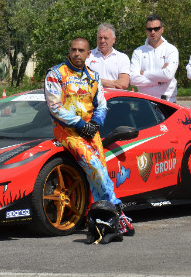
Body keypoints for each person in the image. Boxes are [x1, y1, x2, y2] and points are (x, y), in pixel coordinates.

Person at [44, 37, 134, 235]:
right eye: (74, 50)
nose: (77, 54)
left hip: (91, 131)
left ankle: (100, 219)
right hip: (66, 131)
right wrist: (81, 125)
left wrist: (94, 124)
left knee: (100, 170)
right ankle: (117, 212)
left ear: (88, 54)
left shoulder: (94, 76)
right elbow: (55, 107)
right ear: (69, 51)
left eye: (81, 50)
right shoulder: (55, 74)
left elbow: (102, 104)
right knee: (95, 168)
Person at [129, 14, 179, 102]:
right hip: (145, 102)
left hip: (167, 101)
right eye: (149, 29)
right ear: (146, 31)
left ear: (162, 29)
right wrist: (159, 80)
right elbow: (132, 79)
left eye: (156, 28)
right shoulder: (138, 51)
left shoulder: (171, 50)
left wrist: (143, 73)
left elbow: (168, 75)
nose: (153, 32)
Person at [85, 23, 131, 90]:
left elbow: (124, 83)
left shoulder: (122, 58)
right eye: (100, 38)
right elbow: (83, 79)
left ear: (114, 40)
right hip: (92, 98)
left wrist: (98, 81)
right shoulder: (88, 56)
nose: (102, 41)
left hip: (113, 99)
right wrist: (109, 83)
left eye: (106, 38)